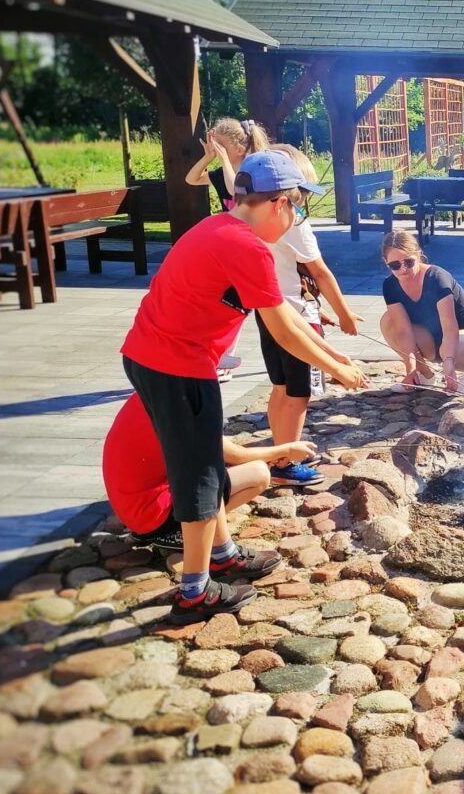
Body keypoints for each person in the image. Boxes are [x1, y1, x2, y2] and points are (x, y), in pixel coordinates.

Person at [118, 149, 366, 624]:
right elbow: (282, 330)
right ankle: (194, 591)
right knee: (199, 474)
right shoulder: (244, 245)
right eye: (295, 206)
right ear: (278, 204)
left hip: (158, 356)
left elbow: (284, 311)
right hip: (176, 365)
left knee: (204, 461)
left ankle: (224, 554)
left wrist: (335, 355)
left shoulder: (224, 228)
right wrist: (337, 373)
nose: (295, 216)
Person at [254, 144, 364, 486]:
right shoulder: (295, 222)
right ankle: (285, 463)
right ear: (288, 195)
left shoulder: (255, 215)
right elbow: (320, 272)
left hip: (267, 310)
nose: (304, 202)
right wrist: (344, 315)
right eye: (302, 193)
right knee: (298, 393)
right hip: (294, 316)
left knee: (280, 387)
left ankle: (279, 450)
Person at [102, 391, 314, 567]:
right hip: (153, 513)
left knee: (215, 467)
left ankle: (167, 531)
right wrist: (285, 450)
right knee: (259, 474)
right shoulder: (181, 401)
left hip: (131, 508)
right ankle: (184, 535)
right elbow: (236, 454)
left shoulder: (153, 393)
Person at [185, 118, 272, 378]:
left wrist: (223, 160)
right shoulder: (220, 174)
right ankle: (222, 357)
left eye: (222, 145)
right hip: (231, 246)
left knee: (250, 303)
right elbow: (191, 179)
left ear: (239, 147)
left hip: (254, 243)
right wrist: (209, 157)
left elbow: (237, 191)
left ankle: (225, 356)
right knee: (231, 303)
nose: (218, 149)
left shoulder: (252, 170)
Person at [380, 229, 464, 393]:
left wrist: (449, 361)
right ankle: (424, 375)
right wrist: (410, 368)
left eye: (408, 262)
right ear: (386, 262)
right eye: (395, 265)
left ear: (418, 255)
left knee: (456, 350)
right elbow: (403, 331)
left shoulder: (436, 278)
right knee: (388, 321)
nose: (403, 269)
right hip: (432, 338)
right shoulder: (390, 285)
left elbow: (449, 326)